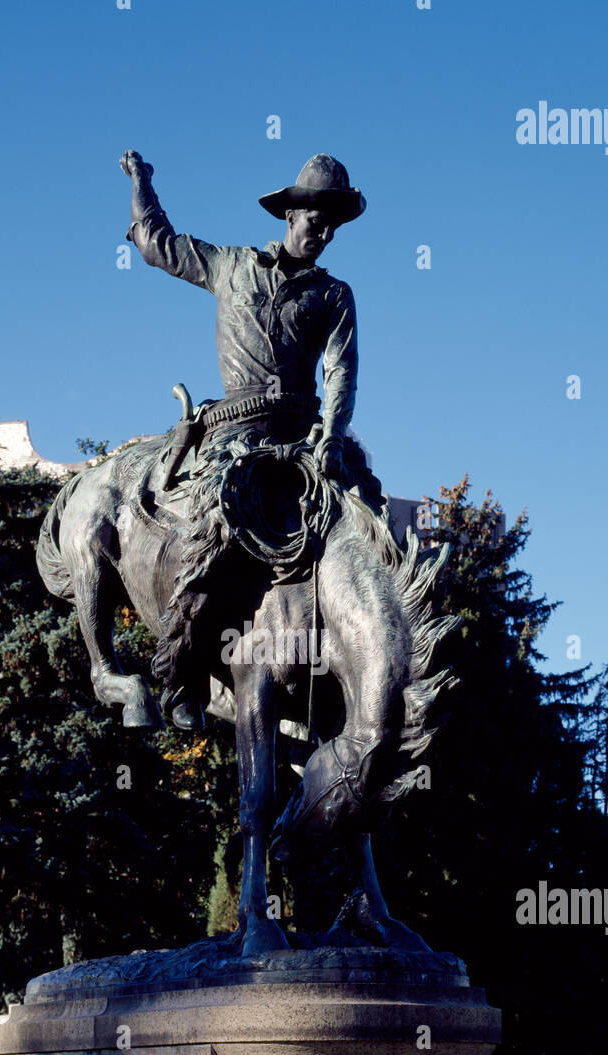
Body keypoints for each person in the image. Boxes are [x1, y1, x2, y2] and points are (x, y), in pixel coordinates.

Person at [121, 149, 381, 728]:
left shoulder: (334, 295)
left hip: (306, 440)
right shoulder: (231, 266)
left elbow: (342, 371)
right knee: (215, 526)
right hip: (233, 436)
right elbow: (155, 243)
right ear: (291, 215)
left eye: (334, 226)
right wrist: (142, 182)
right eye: (318, 221)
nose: (326, 234)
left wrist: (333, 442)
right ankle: (179, 673)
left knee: (369, 525)